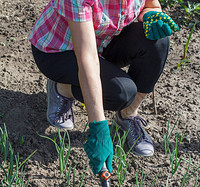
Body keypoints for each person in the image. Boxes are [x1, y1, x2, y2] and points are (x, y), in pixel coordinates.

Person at [29, 0, 179, 174]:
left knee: (158, 41)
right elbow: (87, 59)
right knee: (120, 94)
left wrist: (150, 14)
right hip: (59, 50)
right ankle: (62, 87)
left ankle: (128, 115)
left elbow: (151, 5)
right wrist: (99, 128)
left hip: (104, 41)